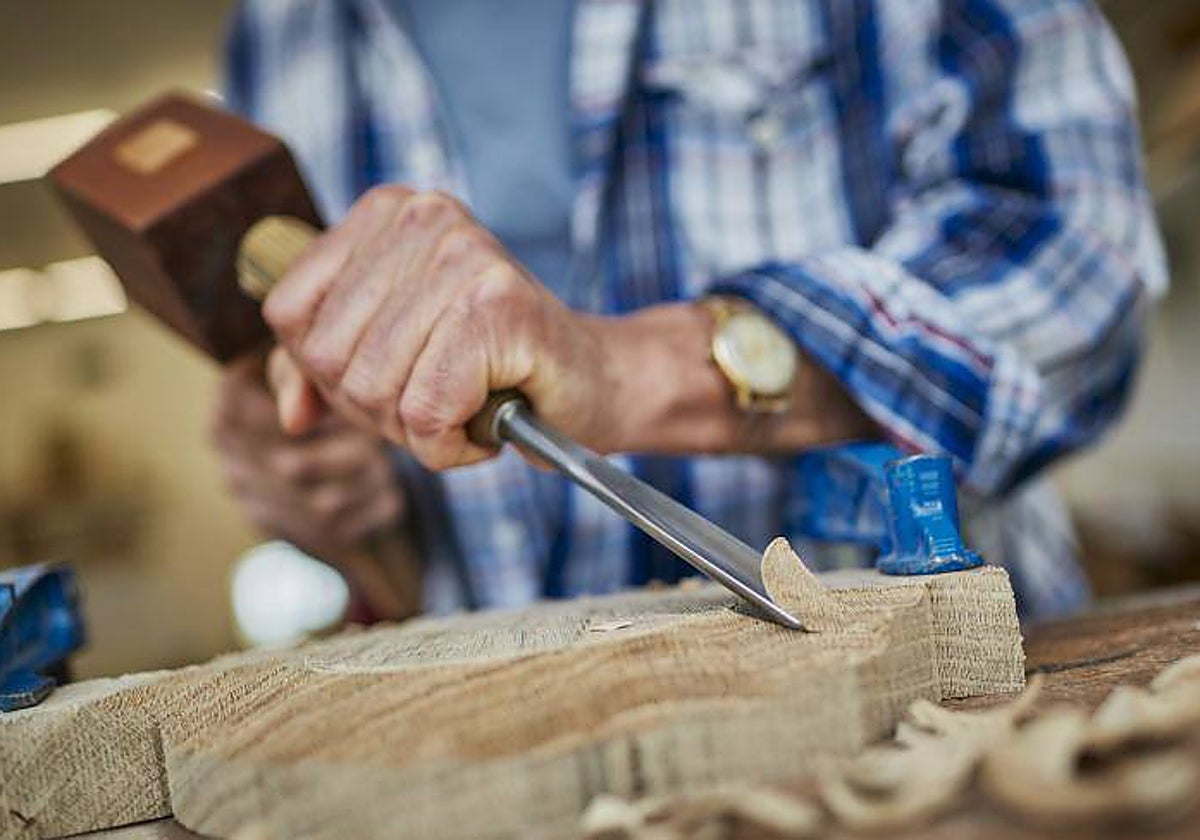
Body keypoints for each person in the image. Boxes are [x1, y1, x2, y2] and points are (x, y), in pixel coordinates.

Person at [211, 0, 1166, 620]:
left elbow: (1071, 258)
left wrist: (631, 372)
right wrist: (323, 480)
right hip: (498, 747)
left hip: (924, 717)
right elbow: (356, 426)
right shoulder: (273, 35)